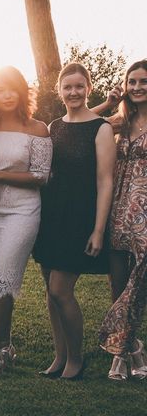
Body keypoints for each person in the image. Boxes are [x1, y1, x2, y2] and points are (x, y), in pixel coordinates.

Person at [34, 62, 115, 380]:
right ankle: (60, 356)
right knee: (49, 291)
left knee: (60, 289)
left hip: (80, 218)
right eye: (67, 87)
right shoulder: (55, 126)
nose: (73, 92)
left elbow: (105, 181)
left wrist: (98, 229)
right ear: (60, 91)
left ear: (88, 88)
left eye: (79, 86)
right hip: (51, 214)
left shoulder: (102, 128)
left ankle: (77, 359)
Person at [0, 66, 51, 379]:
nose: (5, 95)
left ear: (21, 92)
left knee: (1, 278)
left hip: (22, 212)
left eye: (11, 89)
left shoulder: (37, 128)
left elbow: (42, 177)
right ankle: (4, 345)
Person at [93, 60, 147, 380]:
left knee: (138, 281)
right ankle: (127, 353)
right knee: (118, 280)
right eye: (133, 82)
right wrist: (110, 102)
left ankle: (125, 347)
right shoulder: (121, 121)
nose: (137, 87)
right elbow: (84, 126)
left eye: (143, 82)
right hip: (118, 206)